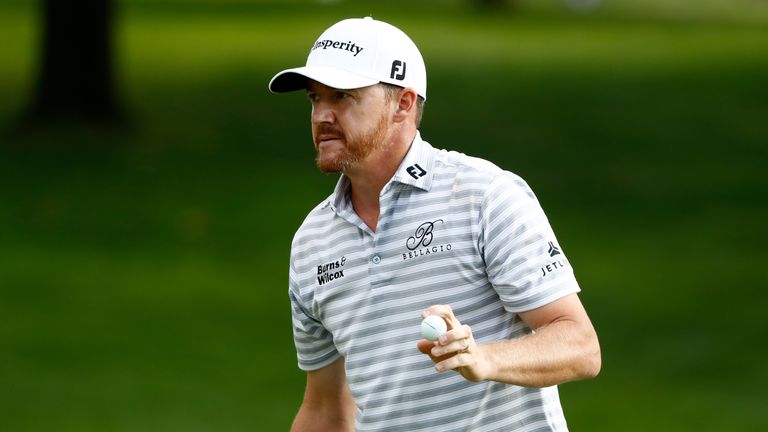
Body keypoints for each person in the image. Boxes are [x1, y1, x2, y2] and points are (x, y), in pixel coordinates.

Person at [269, 17, 601, 432]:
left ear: (403, 103)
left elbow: (580, 345)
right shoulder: (312, 242)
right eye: (315, 99)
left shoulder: (484, 195)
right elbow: (325, 410)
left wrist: (485, 359)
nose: (321, 116)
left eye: (342, 96)